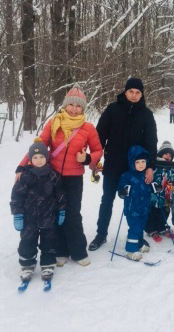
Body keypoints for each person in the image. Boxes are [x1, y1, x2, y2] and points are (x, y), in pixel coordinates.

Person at [16, 84, 103, 266]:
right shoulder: (54, 122)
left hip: (74, 178)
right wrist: (22, 166)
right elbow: (38, 147)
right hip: (52, 177)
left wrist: (86, 158)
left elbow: (98, 150)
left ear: (83, 108)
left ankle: (78, 251)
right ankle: (60, 250)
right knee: (55, 213)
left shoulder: (88, 128)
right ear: (65, 105)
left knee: (72, 214)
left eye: (78, 106)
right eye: (71, 104)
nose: (74, 109)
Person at [89, 78, 158, 251]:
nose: (134, 95)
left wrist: (150, 166)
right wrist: (96, 158)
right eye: (131, 92)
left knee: (138, 202)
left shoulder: (146, 114)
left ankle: (137, 235)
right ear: (125, 91)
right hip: (113, 164)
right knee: (107, 199)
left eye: (138, 92)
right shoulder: (113, 109)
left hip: (136, 168)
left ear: (141, 94)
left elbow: (151, 142)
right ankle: (101, 234)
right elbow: (99, 136)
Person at [11, 139, 67, 282]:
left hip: (49, 216)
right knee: (27, 240)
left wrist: (61, 211)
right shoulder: (24, 177)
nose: (39, 160)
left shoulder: (54, 176)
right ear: (30, 160)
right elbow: (17, 196)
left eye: (42, 157)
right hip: (29, 217)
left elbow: (60, 194)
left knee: (49, 241)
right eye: (35, 157)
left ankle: (47, 264)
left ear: (46, 158)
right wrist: (17, 214)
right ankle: (27, 265)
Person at [117, 146, 160, 261]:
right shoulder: (126, 176)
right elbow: (120, 190)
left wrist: (156, 187)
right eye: (137, 162)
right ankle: (131, 250)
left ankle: (139, 244)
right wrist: (123, 191)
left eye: (143, 162)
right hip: (132, 209)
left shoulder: (147, 175)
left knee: (140, 227)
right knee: (135, 228)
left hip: (144, 208)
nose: (141, 164)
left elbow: (152, 185)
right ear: (132, 162)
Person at [145, 141, 174, 242]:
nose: (168, 156)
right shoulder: (155, 165)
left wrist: (171, 185)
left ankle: (162, 227)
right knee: (152, 212)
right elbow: (149, 179)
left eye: (170, 155)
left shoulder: (172, 167)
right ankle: (151, 229)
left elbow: (173, 178)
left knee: (165, 211)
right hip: (154, 195)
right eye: (166, 153)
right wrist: (155, 185)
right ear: (160, 154)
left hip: (167, 195)